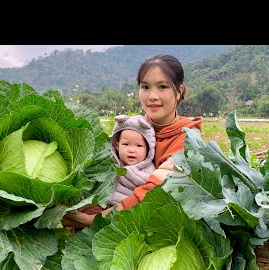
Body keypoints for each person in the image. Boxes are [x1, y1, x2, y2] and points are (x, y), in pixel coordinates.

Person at [61, 54, 203, 229]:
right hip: (115, 209)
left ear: (180, 92)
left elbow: (153, 194)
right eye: (145, 87)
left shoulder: (187, 140)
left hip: (154, 222)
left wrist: (95, 220)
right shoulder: (135, 127)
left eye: (162, 87)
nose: (152, 96)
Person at [108, 114, 156, 206]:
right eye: (126, 144)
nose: (131, 150)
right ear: (117, 146)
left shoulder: (149, 172)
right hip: (104, 205)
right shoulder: (111, 162)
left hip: (127, 212)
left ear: (148, 149)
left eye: (139, 146)